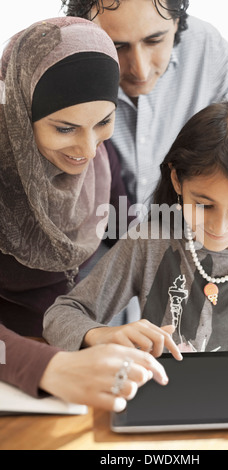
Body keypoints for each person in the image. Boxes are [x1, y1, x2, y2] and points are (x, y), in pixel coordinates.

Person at [44, 101, 228, 407]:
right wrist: (102, 335)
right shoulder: (150, 240)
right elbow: (59, 317)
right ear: (177, 180)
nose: (219, 226)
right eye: (204, 204)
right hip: (159, 407)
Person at [0, 17, 176, 411]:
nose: (88, 148)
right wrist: (52, 368)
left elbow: (131, 240)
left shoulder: (102, 160)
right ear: (20, 114)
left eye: (103, 122)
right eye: (64, 128)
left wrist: (93, 333)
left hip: (79, 351)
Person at [61, 0, 228, 222]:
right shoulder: (62, 64)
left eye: (154, 41)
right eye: (117, 46)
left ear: (176, 22)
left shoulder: (206, 50)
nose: (141, 71)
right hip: (99, 245)